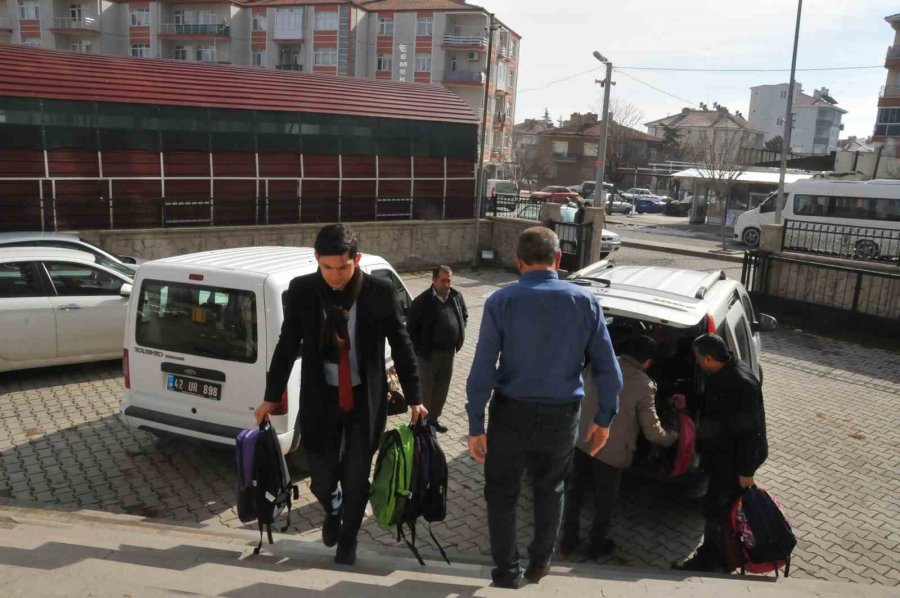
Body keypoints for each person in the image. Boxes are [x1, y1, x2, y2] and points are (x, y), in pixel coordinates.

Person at [254, 224, 426, 567]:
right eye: (327, 267)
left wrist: (415, 397)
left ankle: (349, 538)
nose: (334, 276)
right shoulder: (303, 291)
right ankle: (332, 507)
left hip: (365, 398)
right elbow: (287, 345)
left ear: (356, 260)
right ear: (317, 260)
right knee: (321, 475)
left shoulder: (378, 292)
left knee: (356, 474)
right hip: (321, 397)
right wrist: (271, 397)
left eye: (342, 268)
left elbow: (402, 345)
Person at [465, 226, 623, 589]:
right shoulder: (585, 301)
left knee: (502, 493)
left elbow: (482, 369)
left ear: (518, 262)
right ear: (559, 259)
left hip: (510, 413)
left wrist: (475, 424)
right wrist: (604, 418)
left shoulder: (501, 301)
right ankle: (539, 563)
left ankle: (506, 572)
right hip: (562, 415)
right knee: (551, 488)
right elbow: (608, 369)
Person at [561, 336, 679, 559]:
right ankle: (595, 547)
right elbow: (652, 432)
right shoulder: (643, 385)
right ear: (647, 362)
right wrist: (673, 436)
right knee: (604, 501)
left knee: (574, 492)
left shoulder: (598, 363)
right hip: (610, 453)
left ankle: (568, 541)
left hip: (580, 441)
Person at [673, 333, 768, 573]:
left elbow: (751, 433)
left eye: (698, 359)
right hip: (720, 457)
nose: (696, 363)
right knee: (718, 511)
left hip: (732, 463)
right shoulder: (722, 372)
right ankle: (722, 559)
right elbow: (711, 403)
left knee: (717, 512)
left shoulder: (741, 383)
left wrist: (746, 472)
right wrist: (688, 401)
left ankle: (709, 561)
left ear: (708, 358)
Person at [407, 265, 468, 434]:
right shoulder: (421, 302)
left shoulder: (456, 296)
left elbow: (464, 315)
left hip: (448, 353)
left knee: (442, 388)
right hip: (428, 355)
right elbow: (411, 330)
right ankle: (420, 424)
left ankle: (433, 420)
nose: (447, 284)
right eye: (443, 281)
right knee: (426, 390)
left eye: (449, 280)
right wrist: (418, 352)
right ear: (434, 280)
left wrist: (459, 333)